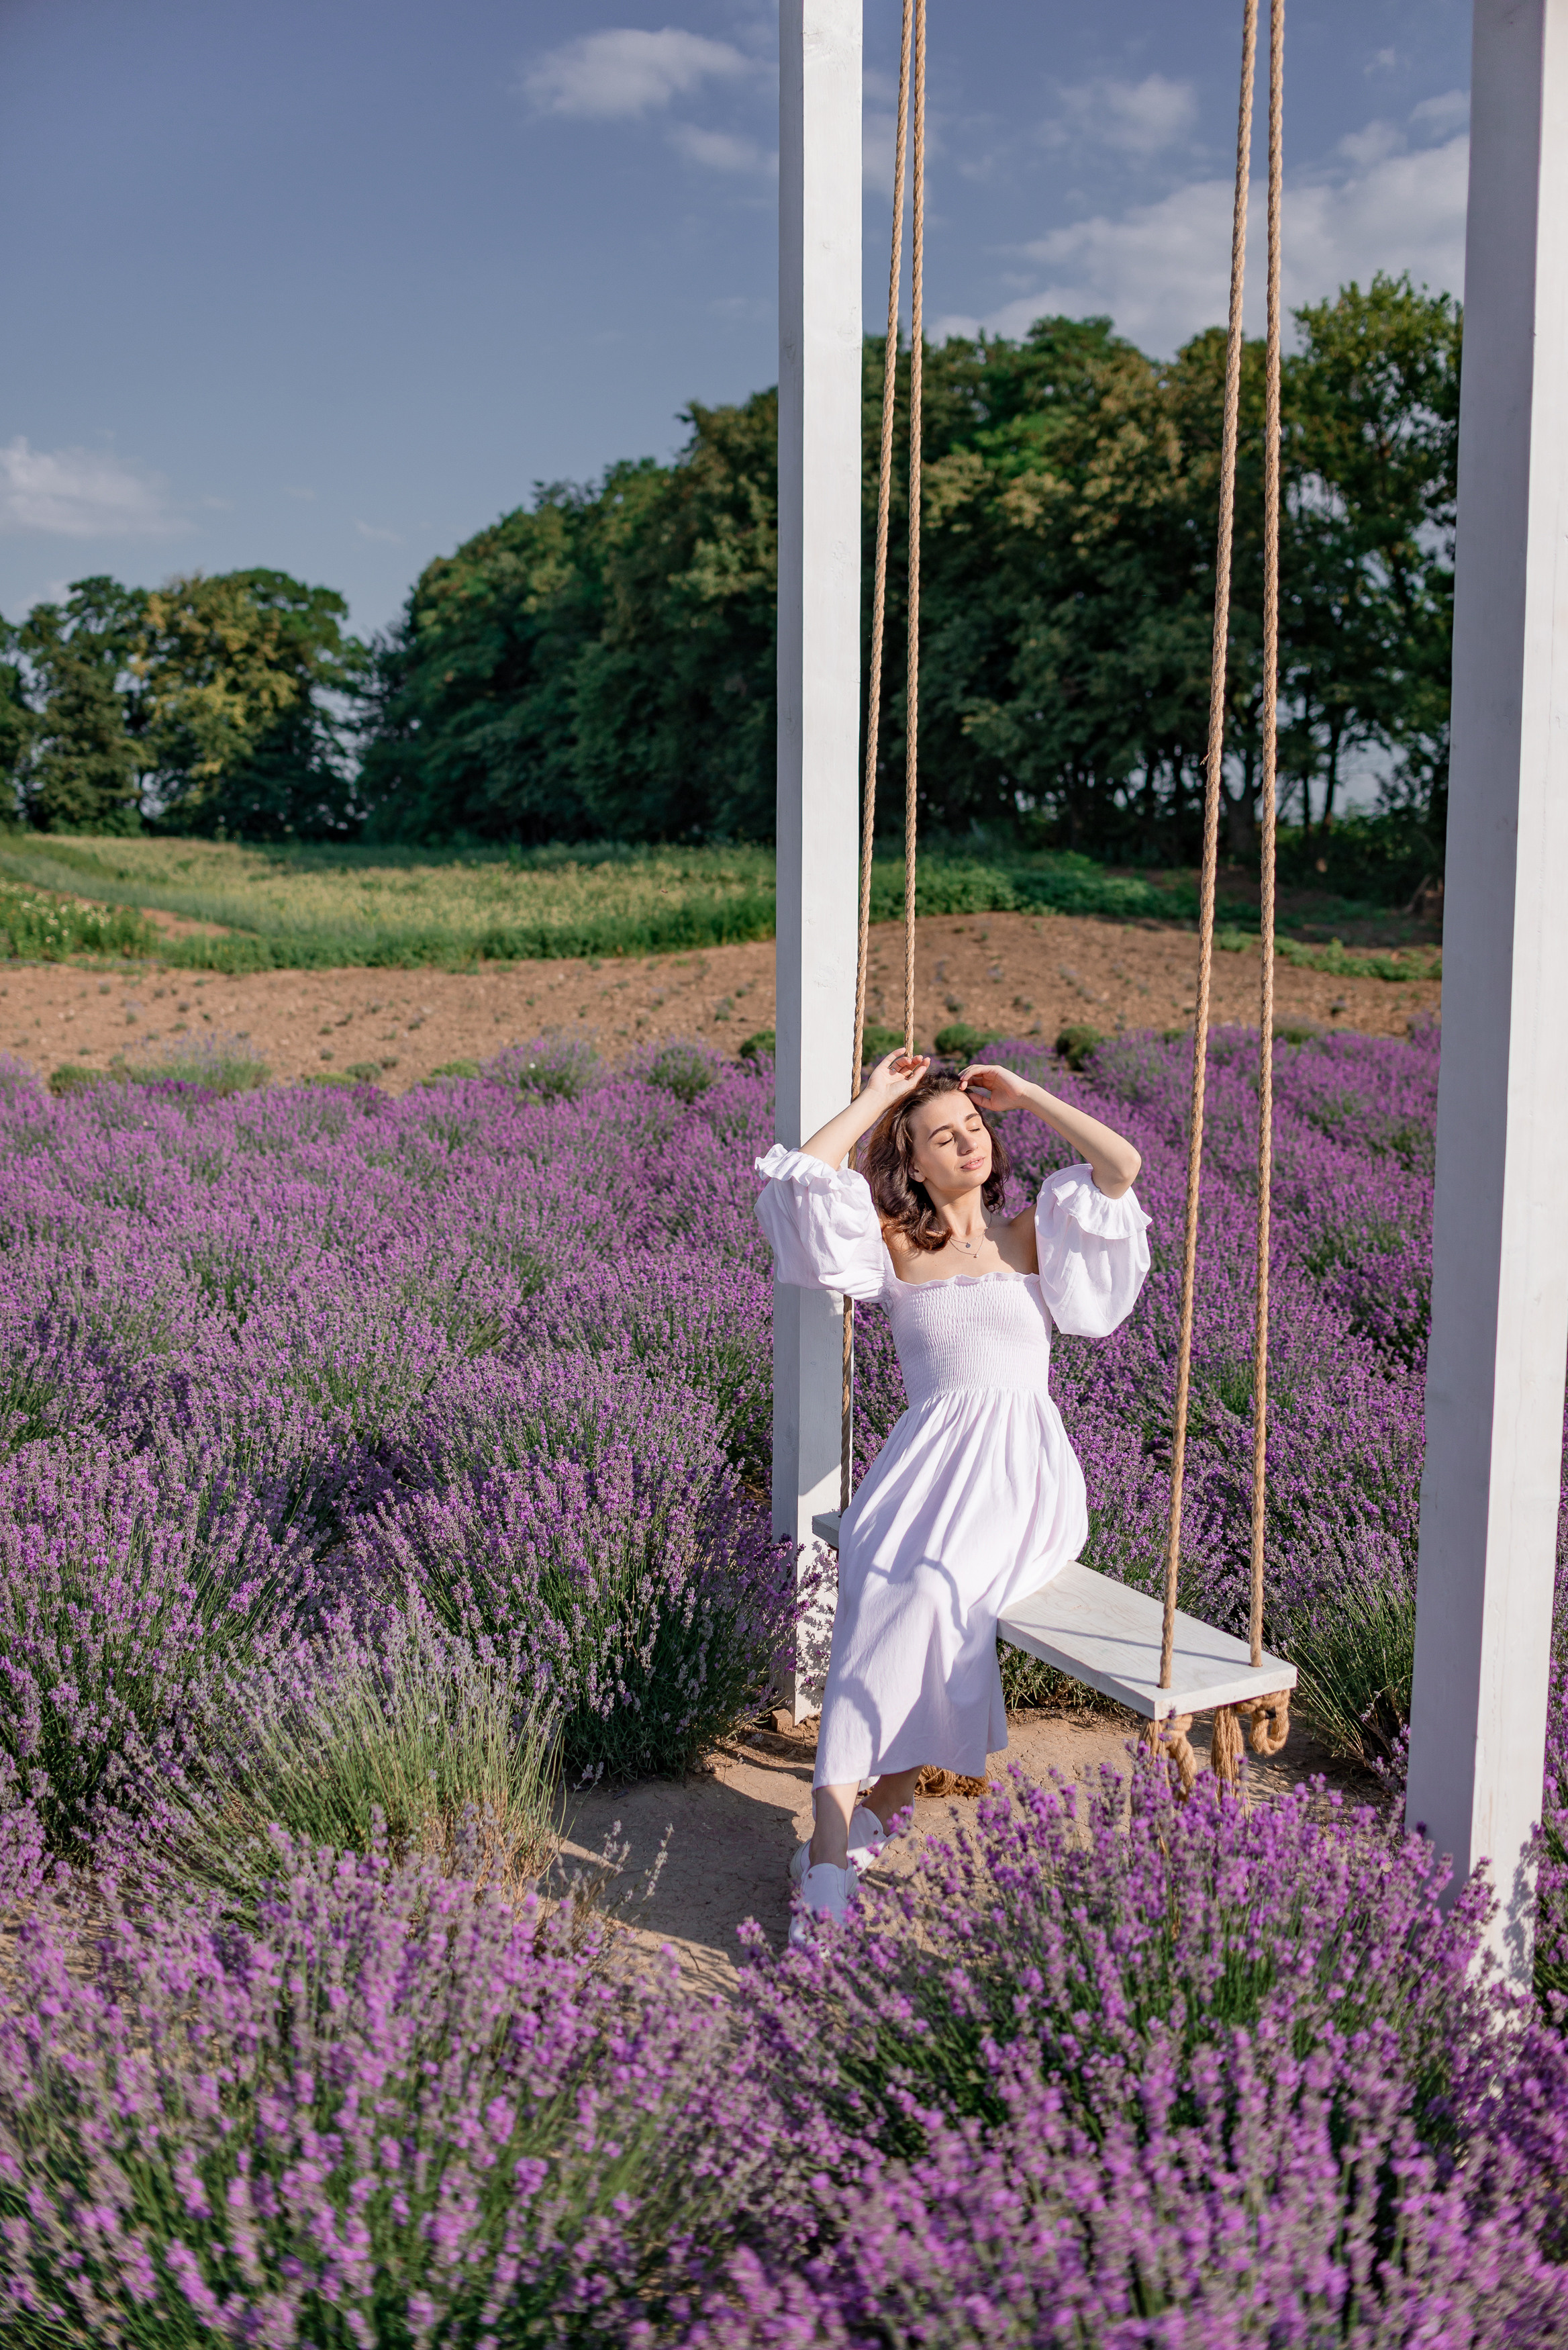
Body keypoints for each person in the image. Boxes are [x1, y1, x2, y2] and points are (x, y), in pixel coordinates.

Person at [755, 1051, 1150, 1931]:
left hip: (1020, 1476)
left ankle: (838, 1852)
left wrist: (1032, 1097)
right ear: (914, 1162)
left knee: (933, 1597)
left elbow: (1120, 1169)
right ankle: (838, 1852)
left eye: (973, 1128)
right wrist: (878, 1096)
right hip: (921, 1466)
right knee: (883, 1601)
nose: (967, 1143)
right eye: (943, 1135)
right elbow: (805, 1183)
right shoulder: (892, 1245)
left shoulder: (1030, 1236)